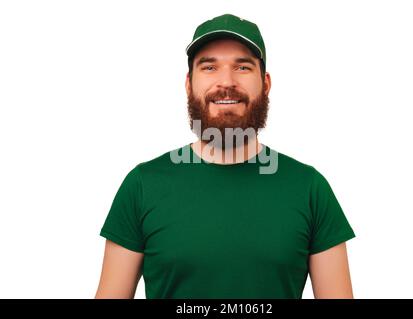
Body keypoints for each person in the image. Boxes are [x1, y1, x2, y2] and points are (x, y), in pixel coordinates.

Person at [95, 13, 356, 299]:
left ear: (265, 83)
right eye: (209, 67)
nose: (226, 82)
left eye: (242, 67)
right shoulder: (142, 186)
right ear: (188, 83)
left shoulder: (310, 188)